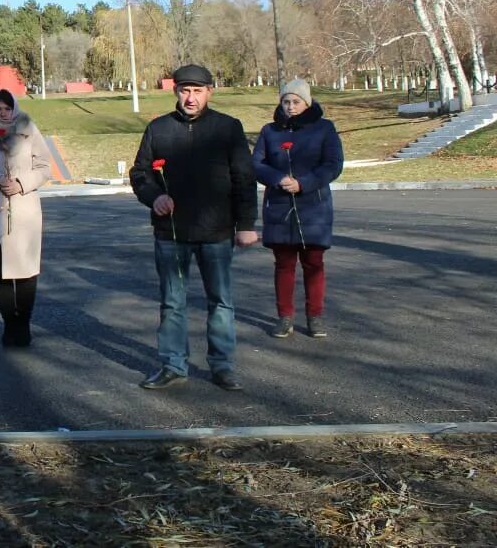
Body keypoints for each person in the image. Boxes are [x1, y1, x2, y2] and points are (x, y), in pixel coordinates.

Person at [129, 64, 257, 392]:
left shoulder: (228, 129)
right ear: (176, 92)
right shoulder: (158, 129)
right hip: (171, 233)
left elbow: (244, 178)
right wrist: (153, 196)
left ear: (210, 92)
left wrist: (246, 224)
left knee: (221, 300)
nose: (191, 97)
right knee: (173, 301)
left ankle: (222, 364)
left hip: (216, 232)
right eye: (185, 90)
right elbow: (140, 172)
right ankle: (173, 364)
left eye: (197, 91)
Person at [253, 78, 344, 339]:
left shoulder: (324, 129)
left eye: (296, 102)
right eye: (286, 102)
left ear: (307, 102)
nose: (290, 106)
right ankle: (284, 317)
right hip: (279, 204)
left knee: (314, 262)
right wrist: (278, 179)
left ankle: (315, 316)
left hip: (313, 204)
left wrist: (304, 183)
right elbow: (257, 163)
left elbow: (333, 164)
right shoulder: (270, 131)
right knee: (284, 263)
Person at [0, 89, 53, 347]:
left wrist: (21, 183)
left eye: (7, 108)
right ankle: (9, 323)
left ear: (14, 108)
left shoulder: (29, 130)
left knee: (26, 270)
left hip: (24, 209)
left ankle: (23, 323)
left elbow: (44, 167)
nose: (3, 113)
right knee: (0, 269)